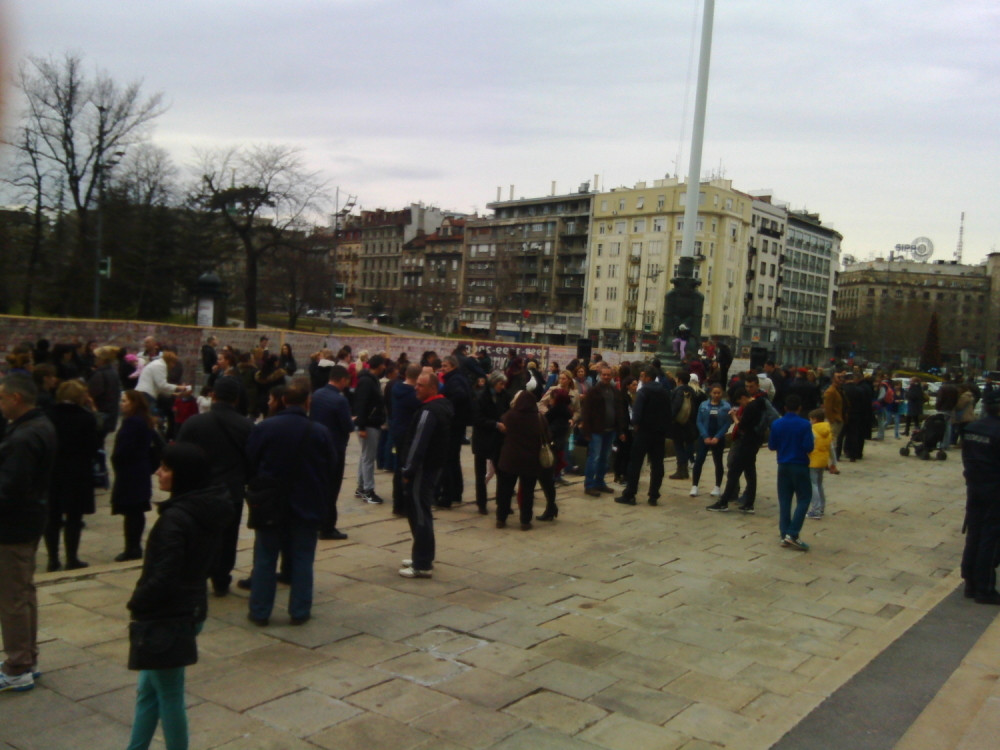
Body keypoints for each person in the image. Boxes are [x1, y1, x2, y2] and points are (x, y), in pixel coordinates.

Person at [124, 443, 232, 749]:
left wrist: (138, 601)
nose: (159, 472)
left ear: (182, 475)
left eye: (166, 468)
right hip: (188, 607)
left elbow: (165, 574)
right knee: (149, 690)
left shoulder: (177, 518)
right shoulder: (205, 508)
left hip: (167, 615)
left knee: (169, 694)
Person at [246, 379, 336, 626]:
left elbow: (250, 462)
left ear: (283, 400)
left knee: (265, 558)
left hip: (270, 503)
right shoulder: (319, 431)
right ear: (308, 402)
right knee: (303, 559)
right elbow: (330, 466)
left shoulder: (265, 428)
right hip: (306, 502)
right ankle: (299, 610)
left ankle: (260, 610)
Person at [0, 375, 57, 693]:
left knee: (12, 598)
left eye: (2, 398)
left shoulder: (24, 436)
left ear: (16, 398)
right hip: (30, 520)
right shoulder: (38, 426)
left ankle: (18, 665)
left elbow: (11, 489)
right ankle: (27, 658)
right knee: (23, 593)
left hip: (14, 527)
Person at [176, 376, 254, 596]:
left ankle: (197, 575)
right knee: (227, 538)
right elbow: (253, 460)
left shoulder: (194, 423)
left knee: (199, 535)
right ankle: (221, 578)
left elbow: (180, 455)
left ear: (213, 395)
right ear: (236, 399)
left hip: (200, 490)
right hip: (231, 490)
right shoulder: (246, 426)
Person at [398, 371, 454, 578]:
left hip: (423, 469)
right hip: (432, 467)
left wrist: (408, 470)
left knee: (420, 513)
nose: (416, 388)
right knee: (420, 512)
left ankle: (422, 563)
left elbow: (418, 444)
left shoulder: (429, 411)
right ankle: (422, 556)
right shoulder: (439, 407)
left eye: (420, 386)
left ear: (432, 388)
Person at [45, 380, 101, 572]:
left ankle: (52, 559)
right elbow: (94, 447)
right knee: (74, 518)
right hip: (78, 473)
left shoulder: (49, 415)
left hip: (53, 472)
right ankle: (72, 558)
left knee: (52, 518)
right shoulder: (86, 418)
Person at [960, 390, 1000, 604]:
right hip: (995, 491)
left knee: (974, 534)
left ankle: (970, 583)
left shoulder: (972, 428)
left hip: (975, 488)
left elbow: (966, 458)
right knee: (990, 539)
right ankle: (984, 588)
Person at [706, 375, 767, 513]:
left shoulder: (751, 407)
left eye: (740, 401)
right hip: (754, 442)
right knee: (750, 473)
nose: (741, 404)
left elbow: (742, 426)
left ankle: (724, 502)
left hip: (746, 443)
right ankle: (749, 503)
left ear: (743, 398)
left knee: (734, 472)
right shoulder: (759, 403)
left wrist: (734, 417)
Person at [615, 365, 671, 506]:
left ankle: (630, 494)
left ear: (647, 377)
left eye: (642, 376)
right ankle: (653, 495)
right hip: (659, 434)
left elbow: (636, 415)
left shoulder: (643, 392)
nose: (641, 379)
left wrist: (636, 425)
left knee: (635, 463)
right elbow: (668, 413)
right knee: (657, 464)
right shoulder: (664, 392)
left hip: (644, 432)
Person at [309, 365, 354, 540]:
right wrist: (351, 420)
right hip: (335, 447)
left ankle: (317, 520)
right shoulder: (340, 400)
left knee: (319, 485)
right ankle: (328, 526)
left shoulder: (318, 394)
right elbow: (348, 426)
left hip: (317, 445)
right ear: (342, 380)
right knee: (332, 488)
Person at [112, 391, 157, 562]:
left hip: (131, 471)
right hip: (140, 469)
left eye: (125, 401)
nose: (121, 404)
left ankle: (132, 548)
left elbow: (124, 449)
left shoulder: (133, 422)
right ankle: (133, 546)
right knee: (135, 510)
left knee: (132, 511)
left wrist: (117, 461)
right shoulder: (143, 420)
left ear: (134, 403)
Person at [495, 389, 549, 530]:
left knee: (505, 490)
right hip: (530, 461)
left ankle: (501, 518)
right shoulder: (539, 418)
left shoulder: (509, 416)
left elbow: (502, 432)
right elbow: (547, 436)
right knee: (527, 492)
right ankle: (525, 521)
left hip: (509, 459)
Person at [768, 394, 814, 551]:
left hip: (783, 464)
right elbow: (809, 446)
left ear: (785, 408)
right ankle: (793, 533)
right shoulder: (805, 424)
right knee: (804, 498)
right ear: (800, 408)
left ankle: (784, 534)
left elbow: (772, 445)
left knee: (785, 500)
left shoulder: (776, 424)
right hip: (800, 464)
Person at [579, 365, 626, 497]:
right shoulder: (594, 391)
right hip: (596, 431)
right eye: (604, 375)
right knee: (594, 457)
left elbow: (619, 411)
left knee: (605, 458)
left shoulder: (615, 391)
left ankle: (600, 482)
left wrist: (620, 430)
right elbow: (586, 412)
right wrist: (586, 431)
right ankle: (589, 484)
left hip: (610, 430)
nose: (606, 377)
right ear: (600, 375)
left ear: (611, 376)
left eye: (608, 375)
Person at [471, 371, 509, 515]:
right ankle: (481, 503)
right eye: (500, 383)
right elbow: (477, 418)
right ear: (493, 383)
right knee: (480, 475)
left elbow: (507, 411)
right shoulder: (481, 396)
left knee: (502, 472)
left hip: (498, 440)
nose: (503, 386)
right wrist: (495, 424)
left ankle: (502, 502)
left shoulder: (504, 395)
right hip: (482, 438)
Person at [438, 355, 473, 508]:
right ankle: (456, 493)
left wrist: (448, 408)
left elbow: (460, 396)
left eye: (445, 366)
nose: (442, 369)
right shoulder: (459, 377)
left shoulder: (454, 380)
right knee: (453, 459)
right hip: (458, 424)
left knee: (447, 459)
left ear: (452, 366)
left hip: (453, 424)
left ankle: (447, 496)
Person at [389, 364, 422, 516]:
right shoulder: (412, 395)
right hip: (408, 434)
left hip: (397, 430)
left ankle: (398, 503)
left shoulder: (396, 388)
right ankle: (404, 504)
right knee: (408, 469)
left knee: (398, 468)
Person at [353, 354, 386, 504]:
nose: (385, 367)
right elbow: (362, 404)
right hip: (368, 424)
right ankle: (368, 490)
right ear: (378, 365)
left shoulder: (371, 380)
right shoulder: (367, 382)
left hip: (370, 423)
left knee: (365, 456)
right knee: (368, 458)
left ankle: (361, 487)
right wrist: (361, 426)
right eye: (383, 364)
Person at [690, 384, 731, 498]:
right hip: (705, 436)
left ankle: (717, 486)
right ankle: (694, 485)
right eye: (714, 393)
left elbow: (727, 423)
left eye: (718, 393)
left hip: (718, 437)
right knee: (699, 460)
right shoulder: (703, 405)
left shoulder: (726, 407)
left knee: (718, 462)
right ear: (710, 393)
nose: (716, 395)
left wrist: (718, 436)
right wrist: (704, 435)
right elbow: (699, 421)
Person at [806, 408, 837, 520]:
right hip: (823, 461)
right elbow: (831, 448)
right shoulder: (827, 430)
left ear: (814, 419)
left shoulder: (812, 431)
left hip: (813, 460)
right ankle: (822, 507)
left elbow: (807, 446)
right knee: (819, 484)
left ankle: (816, 509)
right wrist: (833, 462)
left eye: (810, 419)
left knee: (812, 485)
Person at [668, 371, 700, 481]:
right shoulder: (692, 391)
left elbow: (675, 407)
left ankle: (681, 470)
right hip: (690, 423)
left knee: (679, 446)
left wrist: (670, 418)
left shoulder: (678, 391)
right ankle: (684, 470)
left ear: (679, 380)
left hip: (679, 423)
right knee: (686, 445)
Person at [88, 345, 122, 439]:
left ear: (102, 360)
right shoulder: (113, 372)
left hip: (101, 413)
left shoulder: (100, 374)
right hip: (110, 414)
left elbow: (92, 393)